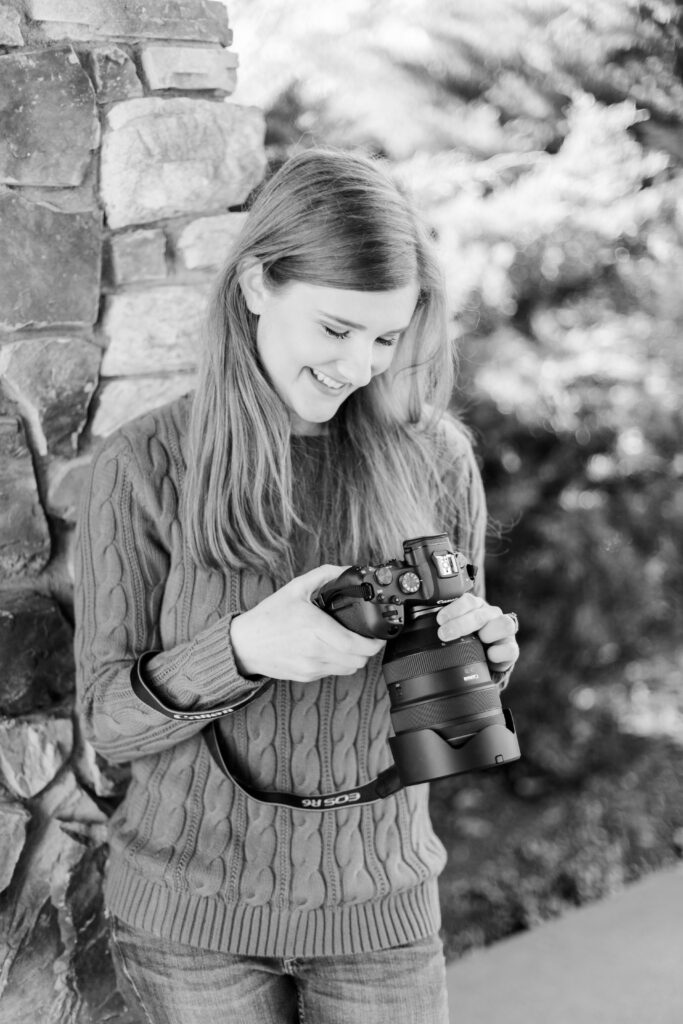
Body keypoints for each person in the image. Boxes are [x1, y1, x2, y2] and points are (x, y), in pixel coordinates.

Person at [74, 147, 519, 1024]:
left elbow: (441, 701)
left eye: (386, 338)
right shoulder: (145, 465)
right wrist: (243, 649)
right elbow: (106, 724)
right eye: (334, 329)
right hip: (188, 925)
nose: (358, 367)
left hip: (379, 913)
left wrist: (489, 661)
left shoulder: (435, 459)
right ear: (253, 287)